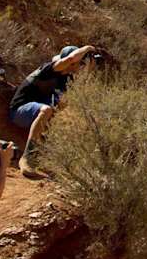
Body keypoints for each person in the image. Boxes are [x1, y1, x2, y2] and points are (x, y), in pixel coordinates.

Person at [9, 44, 98, 177]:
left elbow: (64, 103)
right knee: (47, 110)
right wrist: (87, 48)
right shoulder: (49, 69)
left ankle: (49, 163)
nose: (80, 66)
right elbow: (69, 60)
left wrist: (89, 69)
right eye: (80, 63)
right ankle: (26, 158)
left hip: (37, 116)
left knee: (58, 121)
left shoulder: (66, 80)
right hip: (19, 112)